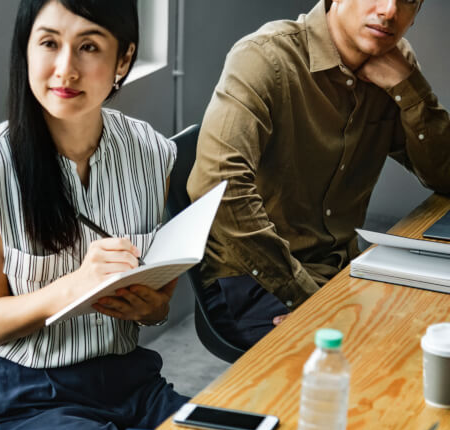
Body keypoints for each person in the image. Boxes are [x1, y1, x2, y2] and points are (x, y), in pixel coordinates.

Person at [0, 0, 187, 430]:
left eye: (89, 47)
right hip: (33, 397)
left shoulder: (153, 155)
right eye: (49, 43)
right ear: (26, 50)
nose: (65, 69)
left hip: (133, 384)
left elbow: (159, 308)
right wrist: (77, 285)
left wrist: (148, 307)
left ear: (124, 60)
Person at [188, 0, 450, 349]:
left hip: (340, 267)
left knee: (428, 335)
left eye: (407, 0)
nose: (389, 10)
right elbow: (218, 189)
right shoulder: (264, 58)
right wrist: (310, 302)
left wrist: (410, 86)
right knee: (370, 370)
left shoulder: (394, 64)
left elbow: (444, 175)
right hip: (256, 280)